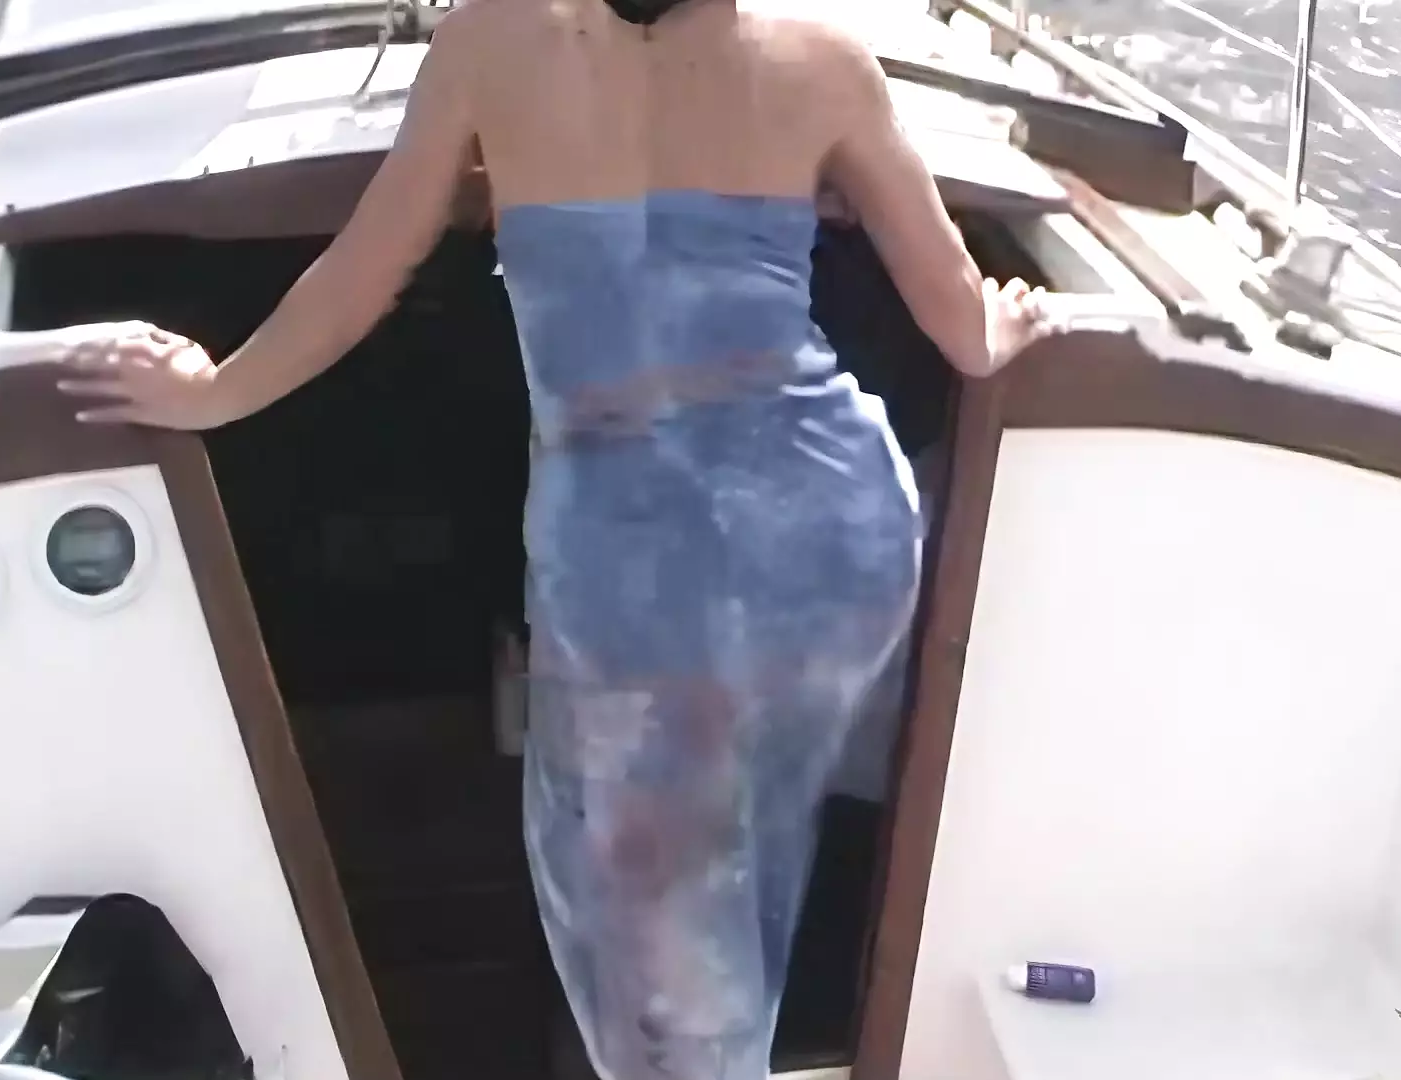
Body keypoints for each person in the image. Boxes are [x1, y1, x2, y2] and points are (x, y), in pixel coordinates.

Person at [56, 1, 1047, 1077]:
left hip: (636, 571)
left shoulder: (490, 46)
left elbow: (357, 281)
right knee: (755, 832)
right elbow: (966, 330)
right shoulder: (826, 62)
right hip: (829, 538)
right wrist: (1001, 324)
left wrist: (211, 392)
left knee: (642, 904)